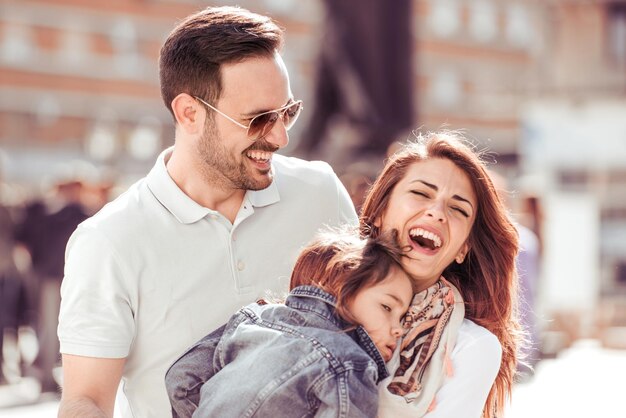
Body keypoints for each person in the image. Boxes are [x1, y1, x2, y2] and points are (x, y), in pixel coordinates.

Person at [57, 6, 357, 418]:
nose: (281, 136)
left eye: (287, 111)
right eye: (258, 119)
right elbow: (85, 400)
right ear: (189, 113)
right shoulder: (108, 242)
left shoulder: (320, 192)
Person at [359, 131, 522, 418]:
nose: (437, 212)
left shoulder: (471, 349)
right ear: (380, 212)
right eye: (421, 193)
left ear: (463, 248)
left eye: (458, 209)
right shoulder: (319, 294)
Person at [165, 229, 412, 417]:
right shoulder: (348, 363)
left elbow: (180, 380)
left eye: (403, 317)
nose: (399, 328)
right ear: (342, 289)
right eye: (387, 307)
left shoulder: (254, 319)